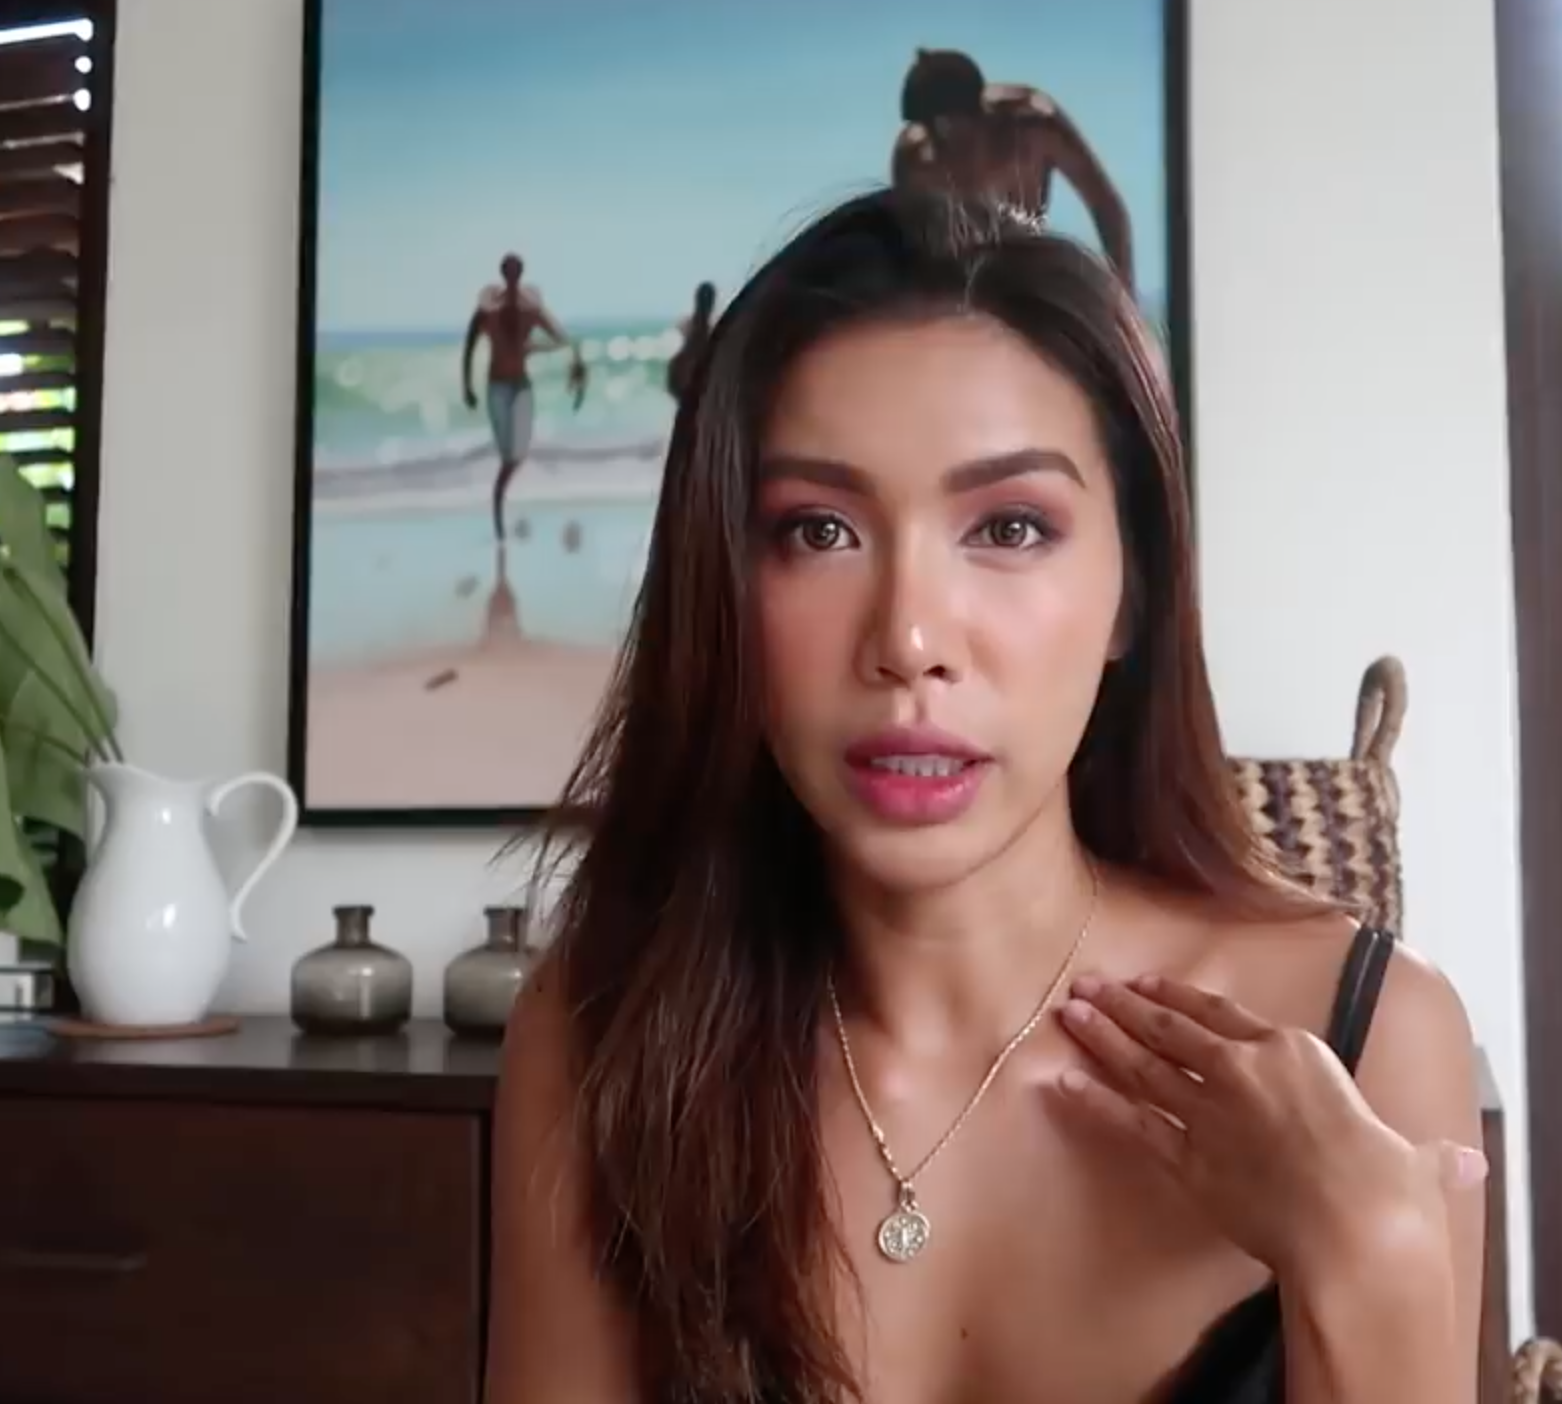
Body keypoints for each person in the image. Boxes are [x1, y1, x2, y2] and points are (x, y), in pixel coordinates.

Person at [486, 191, 1484, 1404]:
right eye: (817, 531)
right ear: (725, 591)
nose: (909, 639)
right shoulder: (602, 1036)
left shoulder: (1367, 1040)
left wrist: (1370, 1262)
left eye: (1009, 526)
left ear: (1133, 593)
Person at [891, 48, 1137, 291]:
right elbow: (901, 249)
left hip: (1028, 275)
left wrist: (1122, 296)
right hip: (959, 287)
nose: (947, 150)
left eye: (952, 132)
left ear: (980, 115)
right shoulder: (916, 163)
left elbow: (1106, 207)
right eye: (933, 134)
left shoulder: (1035, 129)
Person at [462, 253, 587, 541]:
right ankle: (498, 507)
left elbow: (560, 336)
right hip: (496, 387)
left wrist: (573, 357)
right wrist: (466, 386)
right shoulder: (488, 309)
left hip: (521, 386)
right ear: (503, 272)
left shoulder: (531, 309)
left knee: (518, 454)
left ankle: (498, 501)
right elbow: (469, 345)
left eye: (516, 270)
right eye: (508, 270)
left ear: (521, 273)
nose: (512, 275)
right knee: (508, 455)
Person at [667, 280, 718, 404]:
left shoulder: (685, 324)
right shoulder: (714, 328)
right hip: (700, 379)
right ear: (713, 302)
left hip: (684, 374)